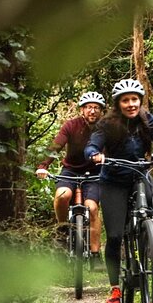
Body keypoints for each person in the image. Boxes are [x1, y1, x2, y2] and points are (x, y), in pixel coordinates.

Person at [84, 79, 153, 303]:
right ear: (118, 103)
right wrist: (94, 154)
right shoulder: (107, 123)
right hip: (114, 181)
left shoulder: (146, 119)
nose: (131, 104)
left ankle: (149, 241)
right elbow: (93, 144)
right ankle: (115, 289)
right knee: (114, 236)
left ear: (140, 101)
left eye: (134, 99)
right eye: (125, 100)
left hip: (140, 174)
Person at [36, 91, 105, 268]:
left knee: (92, 208)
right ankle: (62, 230)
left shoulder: (105, 129)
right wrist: (43, 165)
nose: (92, 111)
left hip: (94, 174)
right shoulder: (71, 126)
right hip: (70, 171)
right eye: (89, 107)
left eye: (96, 108)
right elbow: (55, 145)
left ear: (101, 111)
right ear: (82, 110)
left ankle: (96, 255)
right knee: (62, 196)